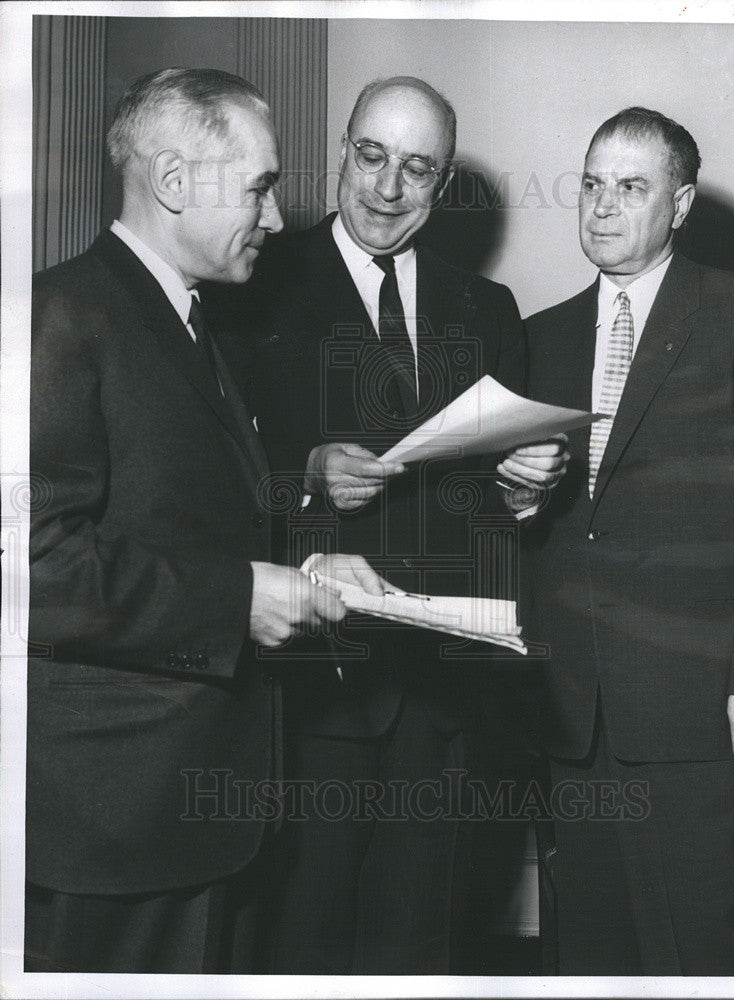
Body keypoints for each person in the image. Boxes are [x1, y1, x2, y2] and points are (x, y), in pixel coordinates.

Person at [25, 67, 384, 975]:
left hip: (191, 812)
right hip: (114, 824)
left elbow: (188, 519)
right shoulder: (57, 316)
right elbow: (33, 566)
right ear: (175, 183)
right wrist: (235, 602)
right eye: (259, 188)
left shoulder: (190, 318)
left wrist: (309, 569)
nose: (273, 219)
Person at [212, 75, 567, 973]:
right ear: (341, 150)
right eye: (371, 157)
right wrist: (307, 478)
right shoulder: (249, 281)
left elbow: (504, 518)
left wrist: (526, 489)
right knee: (303, 939)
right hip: (310, 683)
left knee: (420, 945)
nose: (386, 189)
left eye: (416, 169)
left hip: (447, 693)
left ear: (441, 184)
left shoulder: (488, 309)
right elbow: (205, 483)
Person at [511, 107, 734, 975]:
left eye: (631, 187)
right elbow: (534, 516)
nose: (601, 206)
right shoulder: (541, 333)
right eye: (591, 185)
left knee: (708, 949)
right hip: (572, 709)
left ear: (683, 202)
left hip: (700, 709)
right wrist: (512, 496)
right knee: (592, 952)